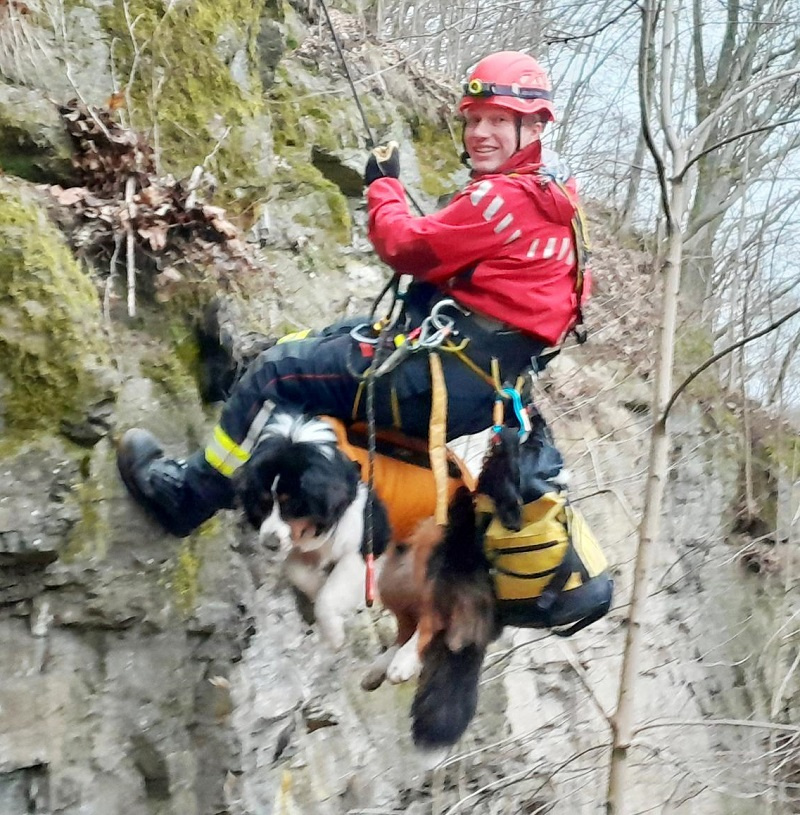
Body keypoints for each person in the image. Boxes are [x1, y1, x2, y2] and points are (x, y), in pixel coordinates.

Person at [117, 50, 588, 538]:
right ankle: (245, 406)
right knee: (328, 339)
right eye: (475, 120)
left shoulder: (503, 199)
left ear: (533, 128)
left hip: (438, 381)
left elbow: (404, 246)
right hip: (481, 386)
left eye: (499, 121)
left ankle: (185, 498)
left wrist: (383, 186)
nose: (480, 133)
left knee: (279, 372)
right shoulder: (559, 199)